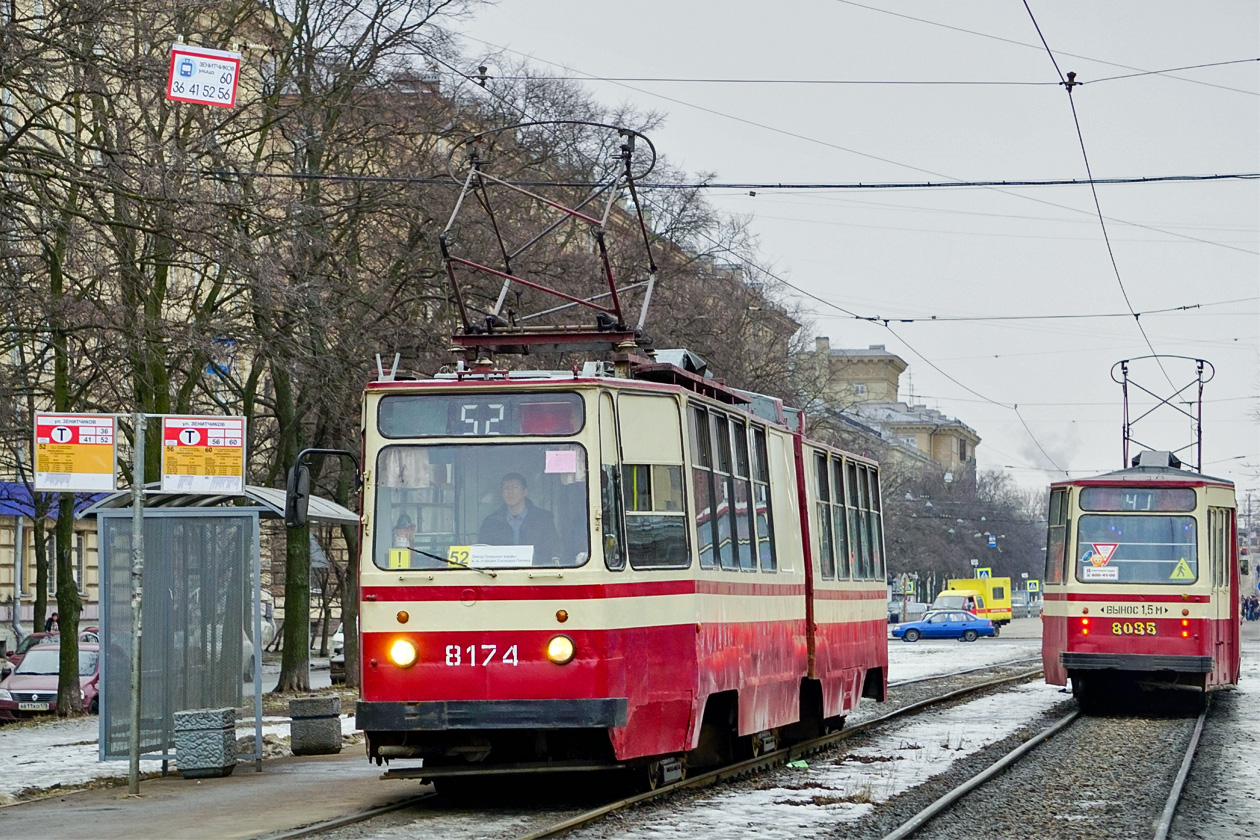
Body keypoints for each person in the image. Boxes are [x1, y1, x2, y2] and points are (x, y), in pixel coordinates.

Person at [478, 473, 563, 564]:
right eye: (506, 488)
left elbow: (555, 551)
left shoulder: (544, 519)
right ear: (502, 494)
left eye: (515, 487)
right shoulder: (490, 523)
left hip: (535, 574)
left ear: (525, 492)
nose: (510, 492)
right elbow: (482, 554)